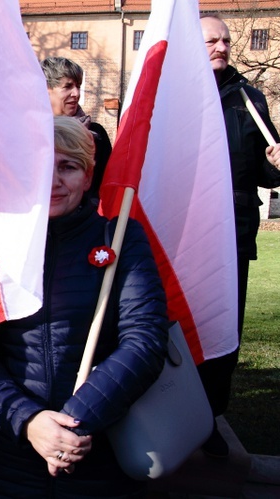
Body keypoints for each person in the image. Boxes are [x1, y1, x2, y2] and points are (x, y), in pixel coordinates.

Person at [0, 116, 169, 498]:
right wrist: (30, 422)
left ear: (88, 177)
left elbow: (145, 341)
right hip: (8, 458)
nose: (53, 180)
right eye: (40, 166)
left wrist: (74, 423)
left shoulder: (121, 237)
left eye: (67, 167)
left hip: (97, 451)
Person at [199, 13, 280, 458]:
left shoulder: (249, 98)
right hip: (184, 230)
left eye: (227, 40)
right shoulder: (175, 97)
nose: (223, 47)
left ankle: (210, 416)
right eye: (212, 40)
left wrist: (276, 162)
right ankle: (170, 407)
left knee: (223, 329)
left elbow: (265, 172)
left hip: (234, 231)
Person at [41, 57, 112, 204]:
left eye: (78, 86)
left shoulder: (96, 133)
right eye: (67, 87)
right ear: (46, 89)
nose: (76, 93)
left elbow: (107, 184)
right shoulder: (28, 134)